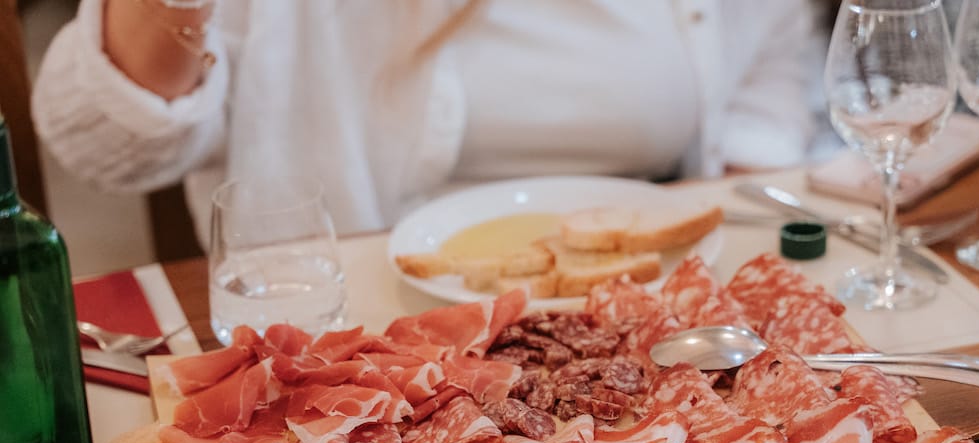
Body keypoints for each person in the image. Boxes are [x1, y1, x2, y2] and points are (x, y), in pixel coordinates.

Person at [32, 0, 834, 246]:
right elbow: (105, 147)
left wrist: (750, 200)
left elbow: (766, 55)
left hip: (637, 314)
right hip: (358, 340)